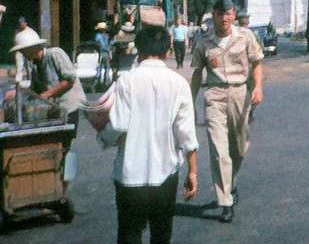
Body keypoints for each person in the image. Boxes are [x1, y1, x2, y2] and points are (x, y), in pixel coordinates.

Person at [96, 24, 198, 243]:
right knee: (161, 235)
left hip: (130, 177)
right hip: (165, 175)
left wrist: (103, 137)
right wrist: (193, 172)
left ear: (138, 50)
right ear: (168, 51)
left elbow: (117, 125)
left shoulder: (126, 80)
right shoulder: (179, 83)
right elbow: (187, 134)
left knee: (129, 234)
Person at [190, 0, 263, 223]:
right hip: (214, 95)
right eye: (220, 13)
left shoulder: (246, 36)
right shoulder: (203, 42)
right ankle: (225, 201)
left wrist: (258, 87)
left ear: (233, 14)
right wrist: (190, 103)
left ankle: (231, 182)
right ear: (214, 15)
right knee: (219, 150)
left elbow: (257, 62)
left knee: (239, 148)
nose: (224, 17)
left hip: (240, 93)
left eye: (228, 13)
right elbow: (196, 74)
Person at [9, 28, 85, 190]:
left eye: (24, 51)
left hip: (68, 109)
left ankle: (62, 190)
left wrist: (47, 94)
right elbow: (36, 92)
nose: (23, 54)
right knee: (51, 150)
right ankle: (51, 186)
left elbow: (69, 79)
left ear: (33, 49)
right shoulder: (35, 67)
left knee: (64, 150)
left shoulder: (55, 54)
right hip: (53, 113)